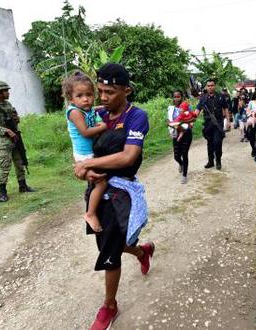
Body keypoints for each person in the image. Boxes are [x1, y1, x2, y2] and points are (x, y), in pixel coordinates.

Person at [73, 63, 154, 330]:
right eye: (100, 91)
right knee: (109, 243)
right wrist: (83, 169)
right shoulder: (95, 115)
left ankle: (110, 305)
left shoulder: (136, 117)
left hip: (120, 192)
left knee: (109, 249)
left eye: (110, 92)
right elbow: (82, 146)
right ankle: (142, 251)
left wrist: (91, 166)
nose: (103, 97)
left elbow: (128, 156)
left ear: (126, 90)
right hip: (97, 187)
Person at [63, 71, 108, 232]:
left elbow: (92, 109)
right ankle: (90, 213)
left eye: (89, 95)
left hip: (90, 153)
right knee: (100, 183)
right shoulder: (74, 112)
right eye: (80, 95)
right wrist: (102, 127)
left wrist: (103, 107)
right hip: (84, 155)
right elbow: (86, 132)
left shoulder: (87, 109)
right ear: (71, 99)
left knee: (96, 180)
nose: (85, 99)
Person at [0, 81, 35, 203]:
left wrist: (16, 119)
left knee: (19, 162)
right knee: (5, 165)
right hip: (2, 140)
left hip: (14, 137)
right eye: (5, 91)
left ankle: (23, 186)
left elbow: (13, 119)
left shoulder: (8, 104)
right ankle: (2, 192)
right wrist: (5, 130)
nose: (8, 93)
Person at [195, 78, 229, 170]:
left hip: (218, 123)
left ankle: (218, 160)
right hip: (208, 124)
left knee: (217, 142)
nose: (210, 87)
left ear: (215, 86)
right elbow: (198, 110)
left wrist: (228, 122)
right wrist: (191, 119)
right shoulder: (203, 98)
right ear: (207, 87)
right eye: (208, 86)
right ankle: (211, 161)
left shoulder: (220, 96)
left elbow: (226, 109)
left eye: (212, 85)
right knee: (209, 143)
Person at [167, 91, 196, 184]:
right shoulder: (171, 109)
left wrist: (186, 122)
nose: (176, 98)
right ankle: (181, 164)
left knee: (184, 153)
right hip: (175, 132)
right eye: (175, 97)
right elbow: (169, 121)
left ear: (181, 97)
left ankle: (184, 175)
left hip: (186, 132)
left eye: (178, 96)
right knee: (176, 156)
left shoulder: (187, 106)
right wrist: (171, 125)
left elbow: (193, 118)